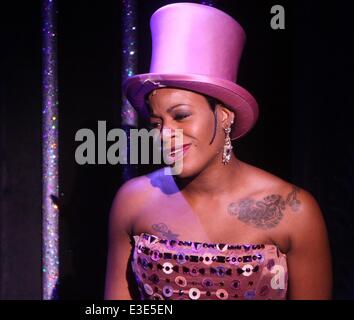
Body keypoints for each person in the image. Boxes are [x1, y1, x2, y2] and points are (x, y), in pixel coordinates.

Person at [104, 3, 332, 300]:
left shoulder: (293, 211)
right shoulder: (133, 201)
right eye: (157, 121)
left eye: (181, 115)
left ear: (224, 116)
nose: (165, 134)